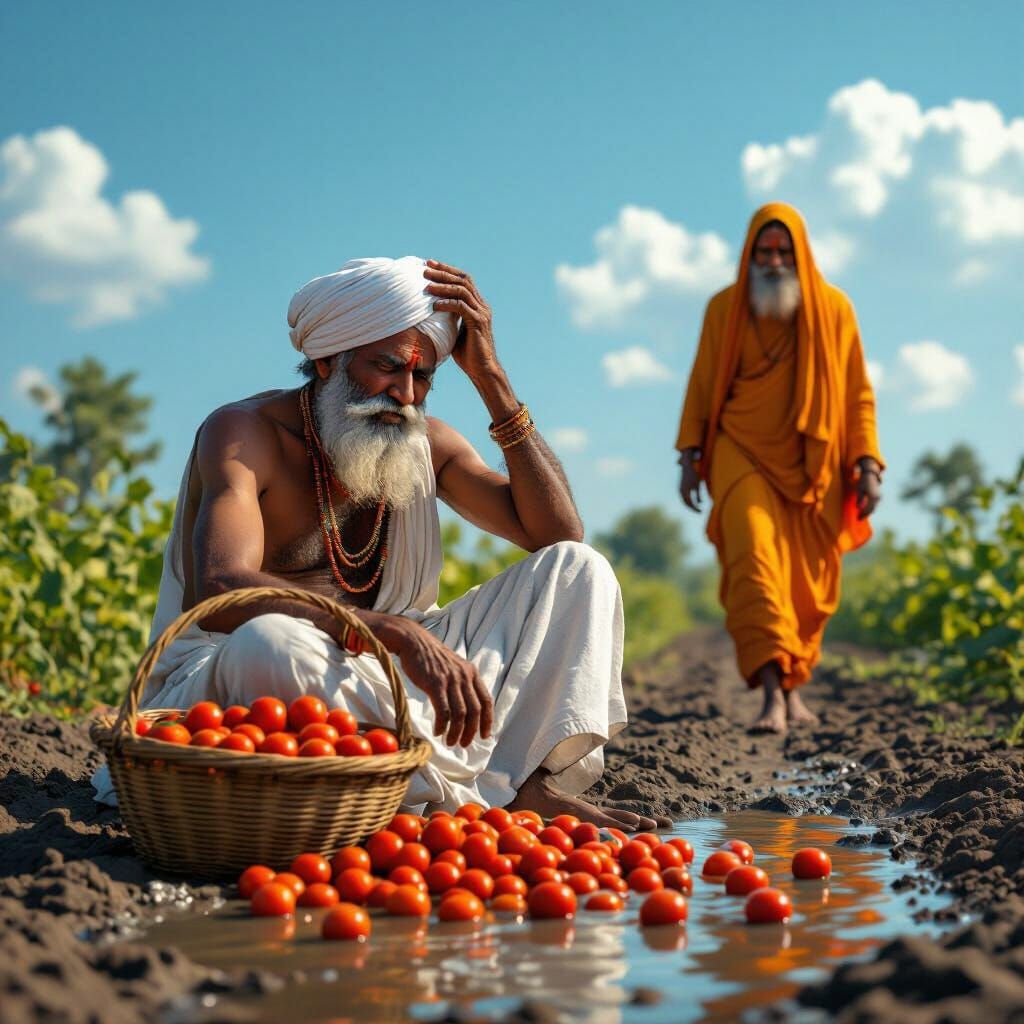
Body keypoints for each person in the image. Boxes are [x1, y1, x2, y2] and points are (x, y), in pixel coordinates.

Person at [94, 256, 666, 831]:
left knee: (578, 569)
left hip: (390, 673)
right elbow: (218, 590)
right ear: (325, 359)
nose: (405, 393)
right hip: (256, 673)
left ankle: (519, 785)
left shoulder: (428, 443)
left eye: (423, 377)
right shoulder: (245, 434)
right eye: (387, 368)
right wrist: (388, 631)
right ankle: (448, 787)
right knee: (269, 641)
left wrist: (491, 378)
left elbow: (557, 533)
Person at [676, 203, 884, 734]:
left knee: (803, 587)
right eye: (763, 252)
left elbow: (858, 392)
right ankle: (772, 694)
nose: (772, 261)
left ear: (800, 254)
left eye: (782, 251)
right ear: (748, 254)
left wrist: (867, 462)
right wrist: (690, 454)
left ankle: (793, 690)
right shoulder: (724, 307)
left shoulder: (836, 309)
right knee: (755, 560)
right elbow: (702, 382)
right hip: (738, 450)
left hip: (816, 462)